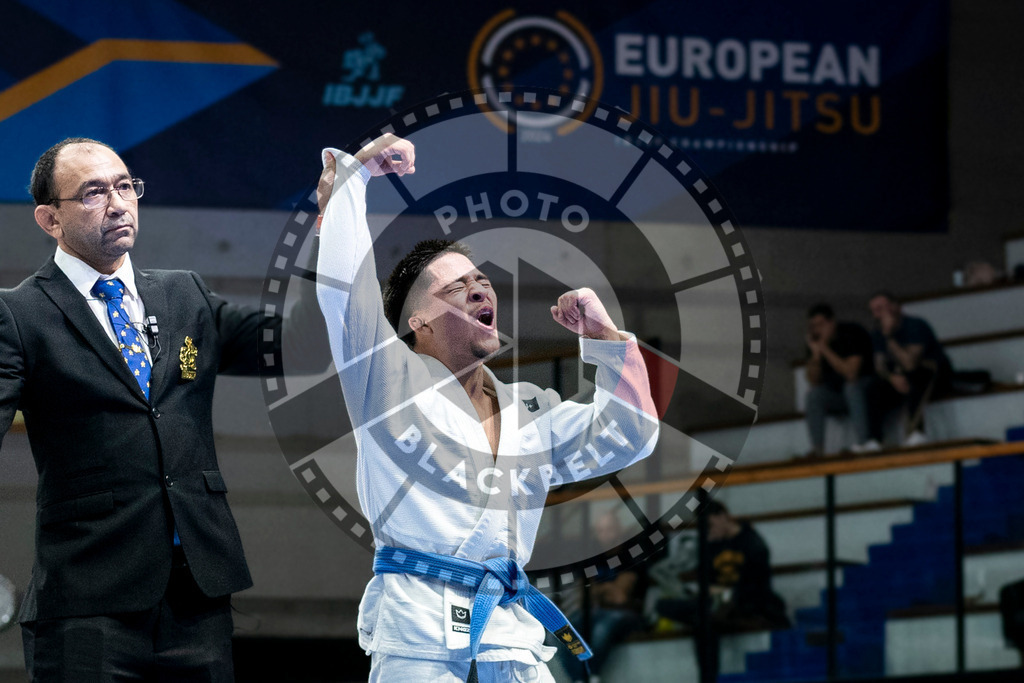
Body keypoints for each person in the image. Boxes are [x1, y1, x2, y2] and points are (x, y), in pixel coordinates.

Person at [315, 135, 660, 683]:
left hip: (511, 636)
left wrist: (606, 341)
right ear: (416, 322)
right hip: (418, 641)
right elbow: (343, 290)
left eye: (481, 281)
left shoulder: (529, 414)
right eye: (455, 288)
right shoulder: (387, 387)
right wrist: (355, 177)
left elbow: (629, 435)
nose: (479, 291)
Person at [0, 137, 325, 680]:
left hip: (197, 596)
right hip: (88, 600)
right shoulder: (19, 314)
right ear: (48, 219)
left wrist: (328, 233)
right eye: (93, 192)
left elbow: (301, 346)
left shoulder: (185, 296)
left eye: (125, 186)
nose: (118, 202)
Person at [655, 501, 789, 681]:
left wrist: (725, 592)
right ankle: (708, 612)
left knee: (703, 620)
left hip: (746, 601)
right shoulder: (711, 544)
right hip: (715, 602)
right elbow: (705, 580)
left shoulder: (752, 542)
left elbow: (757, 585)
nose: (709, 531)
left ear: (722, 516)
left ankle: (708, 678)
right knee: (664, 605)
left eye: (710, 525)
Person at [554, 512, 648, 683]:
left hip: (627, 614)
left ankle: (591, 676)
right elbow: (586, 595)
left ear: (619, 530)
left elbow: (619, 598)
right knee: (565, 630)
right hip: (597, 611)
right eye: (600, 531)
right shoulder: (593, 557)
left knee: (600, 630)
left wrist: (598, 589)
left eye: (609, 530)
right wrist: (606, 589)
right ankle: (579, 679)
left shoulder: (630, 555)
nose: (605, 536)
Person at [867, 291, 953, 447]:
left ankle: (916, 433)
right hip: (900, 377)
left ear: (896, 307)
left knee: (916, 376)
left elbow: (910, 364)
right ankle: (875, 440)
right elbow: (879, 365)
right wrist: (891, 378)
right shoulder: (876, 334)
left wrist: (889, 337)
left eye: (882, 308)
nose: (880, 314)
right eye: (875, 310)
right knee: (873, 387)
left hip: (934, 374)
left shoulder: (915, 325)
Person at [803, 303, 876, 455]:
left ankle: (863, 443)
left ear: (832, 322)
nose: (818, 330)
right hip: (838, 395)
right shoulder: (815, 343)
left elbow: (851, 374)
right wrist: (816, 354)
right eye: (813, 326)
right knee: (814, 395)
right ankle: (818, 449)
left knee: (851, 388)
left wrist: (825, 349)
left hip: (867, 390)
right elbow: (813, 381)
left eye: (821, 324)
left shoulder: (852, 332)